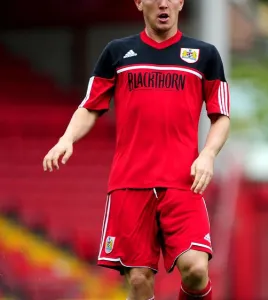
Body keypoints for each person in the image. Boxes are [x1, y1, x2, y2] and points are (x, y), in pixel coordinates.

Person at [43, 0, 230, 299]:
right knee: (138, 281)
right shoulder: (117, 52)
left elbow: (221, 116)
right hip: (130, 184)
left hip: (183, 183)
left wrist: (207, 155)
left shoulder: (204, 55)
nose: (163, 3)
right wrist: (67, 138)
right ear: (139, 3)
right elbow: (90, 107)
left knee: (196, 269)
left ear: (181, 3)